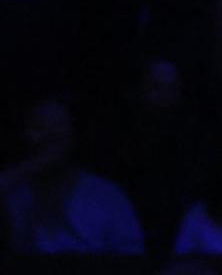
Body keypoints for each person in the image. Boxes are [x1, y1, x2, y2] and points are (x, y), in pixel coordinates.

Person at [1, 96, 145, 255]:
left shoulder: (107, 196)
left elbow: (132, 259)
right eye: (39, 127)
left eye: (58, 126)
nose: (51, 136)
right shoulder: (12, 194)